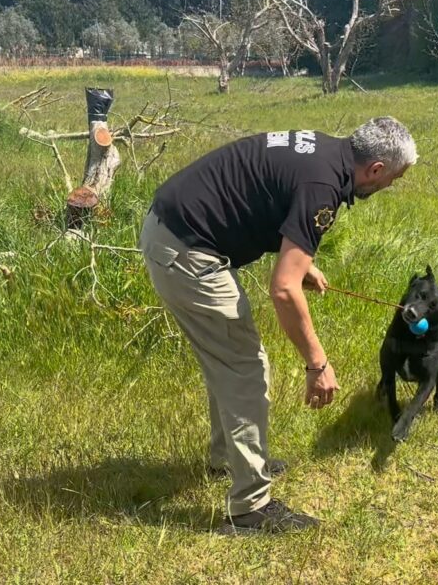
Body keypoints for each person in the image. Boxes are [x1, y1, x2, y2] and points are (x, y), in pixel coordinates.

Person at [139, 117, 417, 534]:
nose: (389, 186)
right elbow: (283, 291)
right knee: (245, 370)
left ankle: (228, 459)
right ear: (376, 169)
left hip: (173, 230)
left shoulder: (325, 151)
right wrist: (317, 363)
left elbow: (271, 195)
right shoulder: (323, 187)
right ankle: (249, 509)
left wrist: (302, 262)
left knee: (228, 363)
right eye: (393, 179)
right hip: (187, 250)